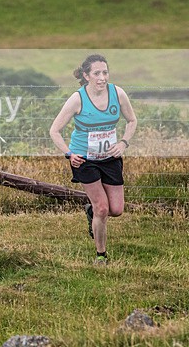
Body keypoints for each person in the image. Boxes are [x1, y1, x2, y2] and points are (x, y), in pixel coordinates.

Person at [49, 54, 137, 265]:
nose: (102, 77)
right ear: (86, 76)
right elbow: (54, 130)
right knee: (102, 209)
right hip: (85, 159)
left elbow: (132, 120)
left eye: (105, 72)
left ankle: (90, 211)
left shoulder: (118, 93)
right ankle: (101, 255)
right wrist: (69, 153)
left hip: (110, 158)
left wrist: (123, 142)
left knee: (116, 209)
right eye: (96, 73)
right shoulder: (77, 99)